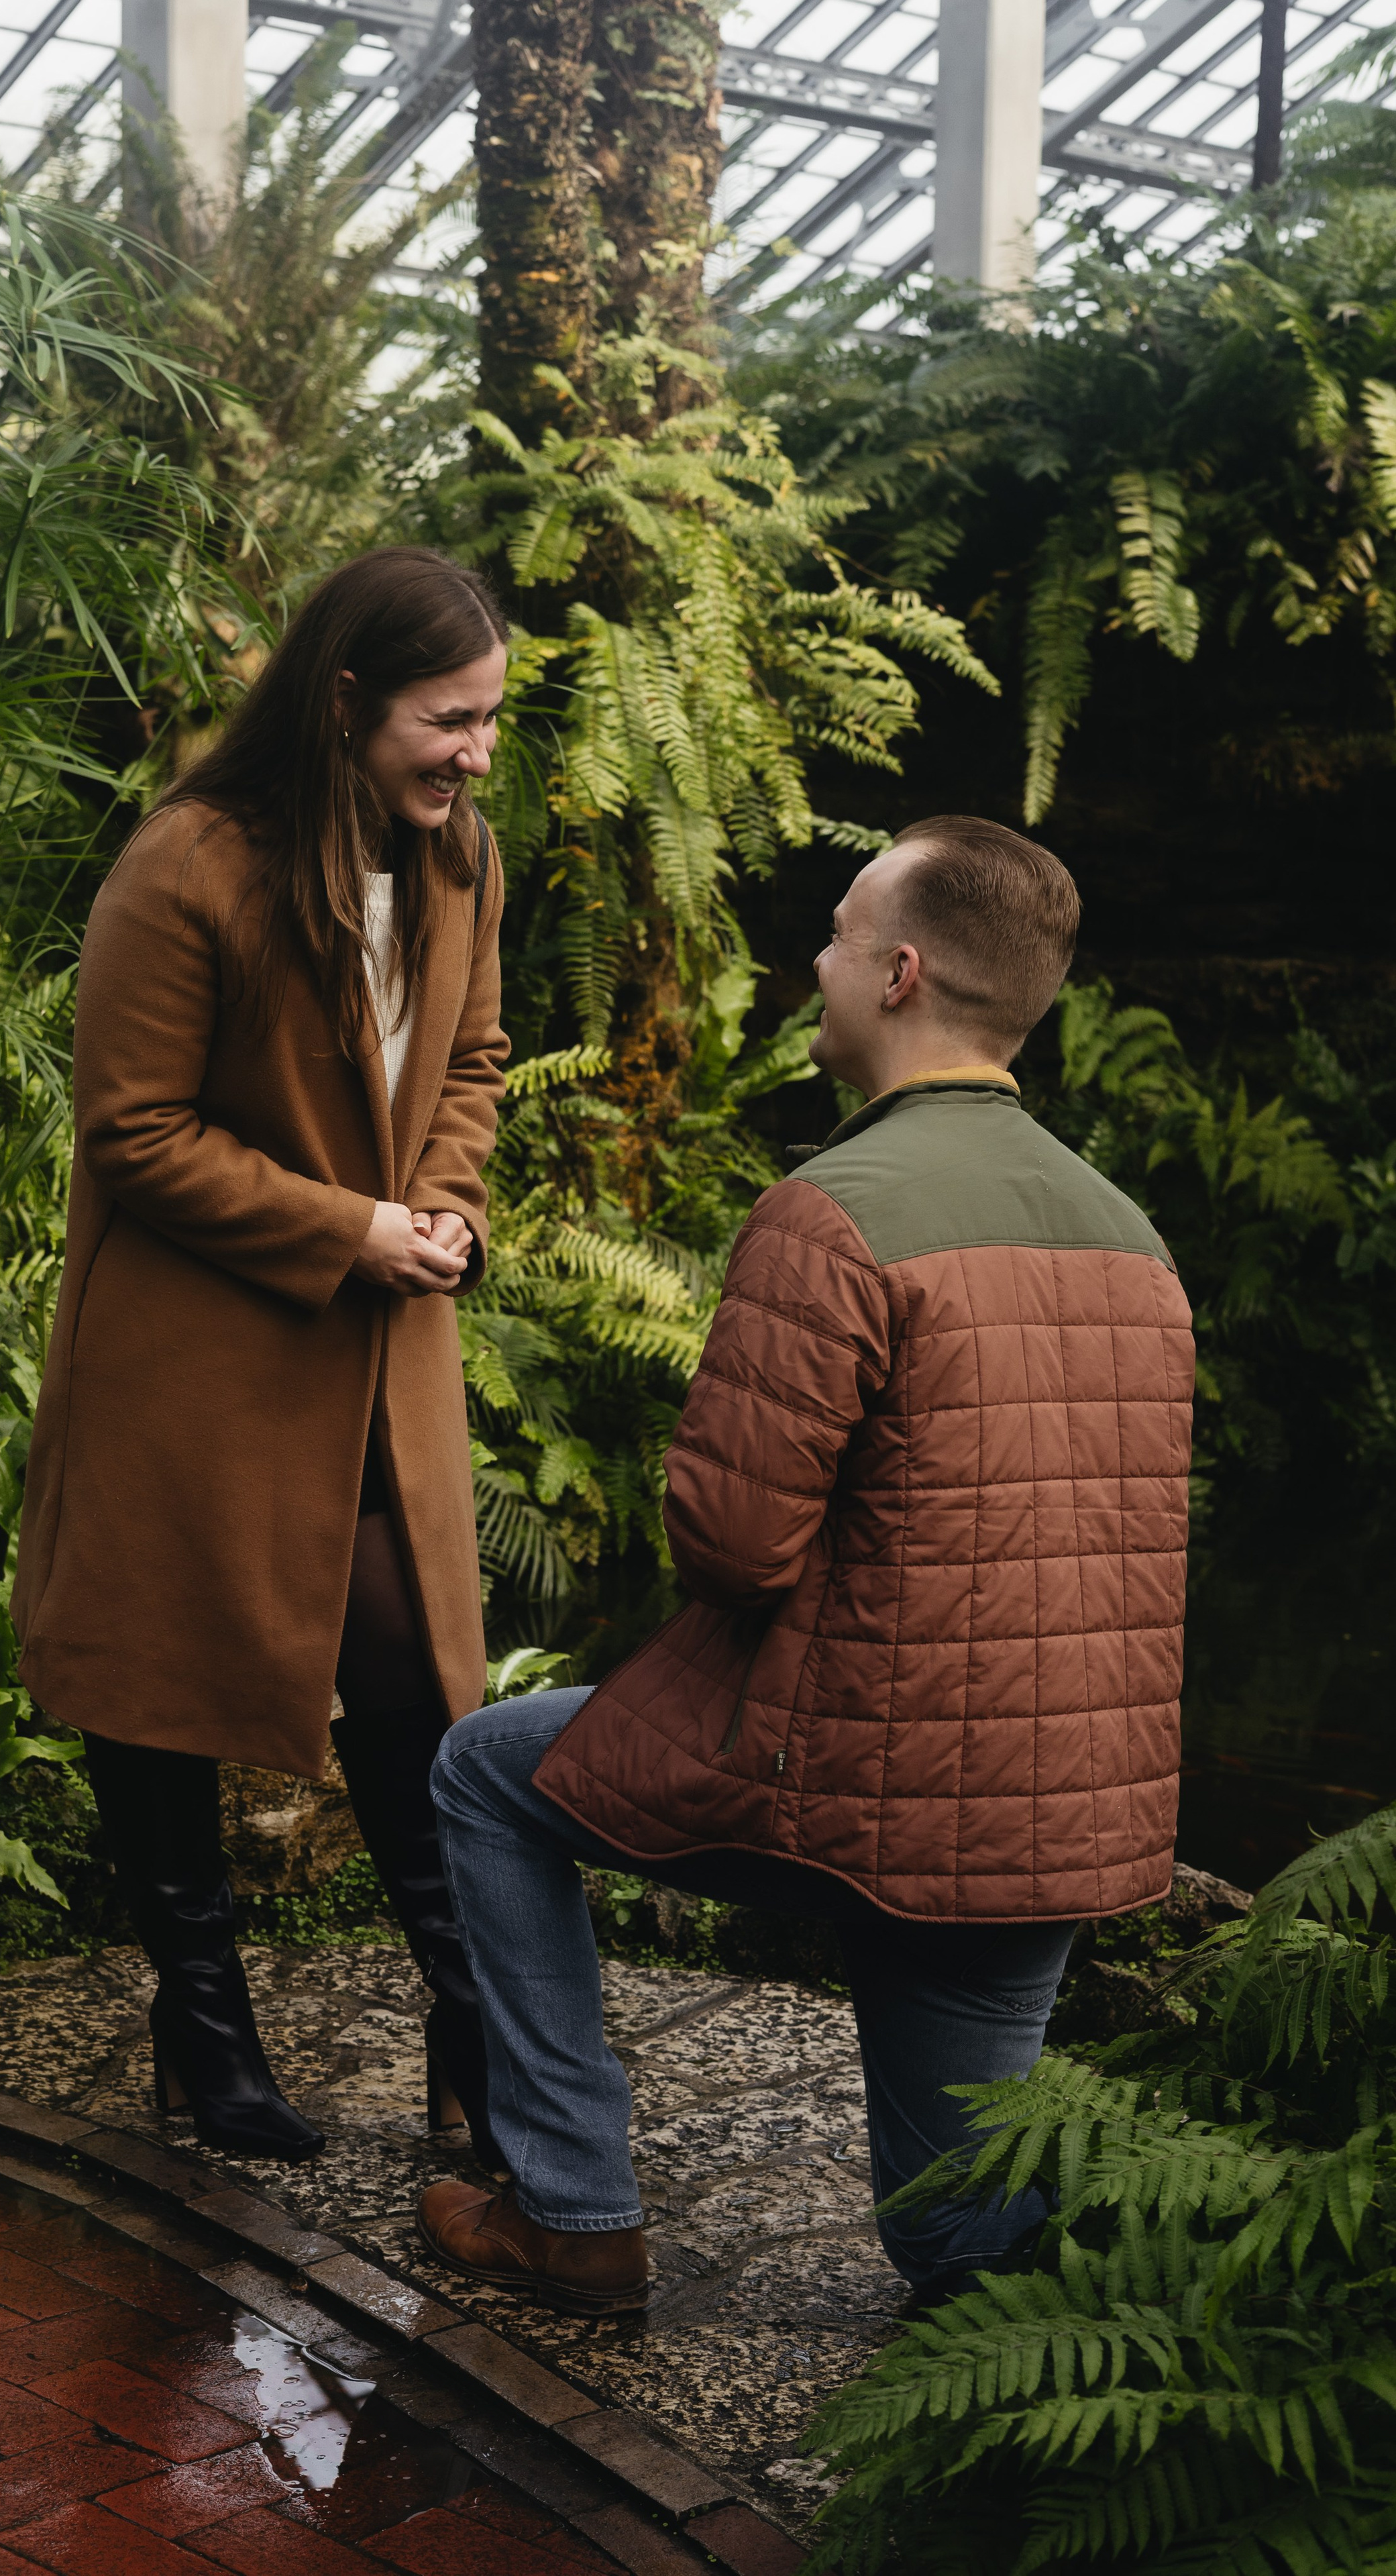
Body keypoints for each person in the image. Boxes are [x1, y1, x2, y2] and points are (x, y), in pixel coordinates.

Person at [417, 817, 1195, 2316]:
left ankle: (574, 2209)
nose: (813, 963)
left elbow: (733, 1543)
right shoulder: (1132, 1240)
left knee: (480, 1770)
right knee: (959, 2243)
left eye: (835, 936)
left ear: (898, 975)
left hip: (862, 1781)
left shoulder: (829, 1214)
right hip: (1056, 1806)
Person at [11, 547, 511, 2165]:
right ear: (348, 699)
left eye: (492, 720)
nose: (475, 754)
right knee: (154, 1686)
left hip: (378, 1349)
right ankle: (203, 2028)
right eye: (450, 719)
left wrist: (436, 1208)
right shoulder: (190, 864)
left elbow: (474, 1064)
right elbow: (132, 1132)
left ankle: (472, 2030)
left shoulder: (460, 862)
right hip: (197, 1361)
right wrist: (352, 1229)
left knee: (409, 1685)